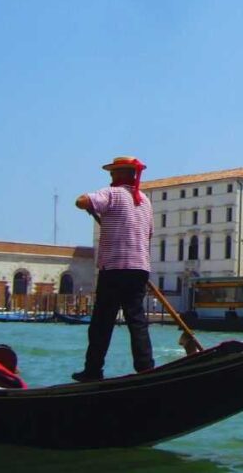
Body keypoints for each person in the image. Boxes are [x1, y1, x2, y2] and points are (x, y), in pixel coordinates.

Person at [72, 155, 155, 382]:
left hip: (115, 268)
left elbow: (81, 201)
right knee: (137, 320)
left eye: (113, 172)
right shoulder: (145, 201)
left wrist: (89, 205)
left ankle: (93, 370)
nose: (110, 176)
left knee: (102, 322)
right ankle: (146, 369)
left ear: (122, 174)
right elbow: (148, 234)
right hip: (139, 268)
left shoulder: (112, 193)